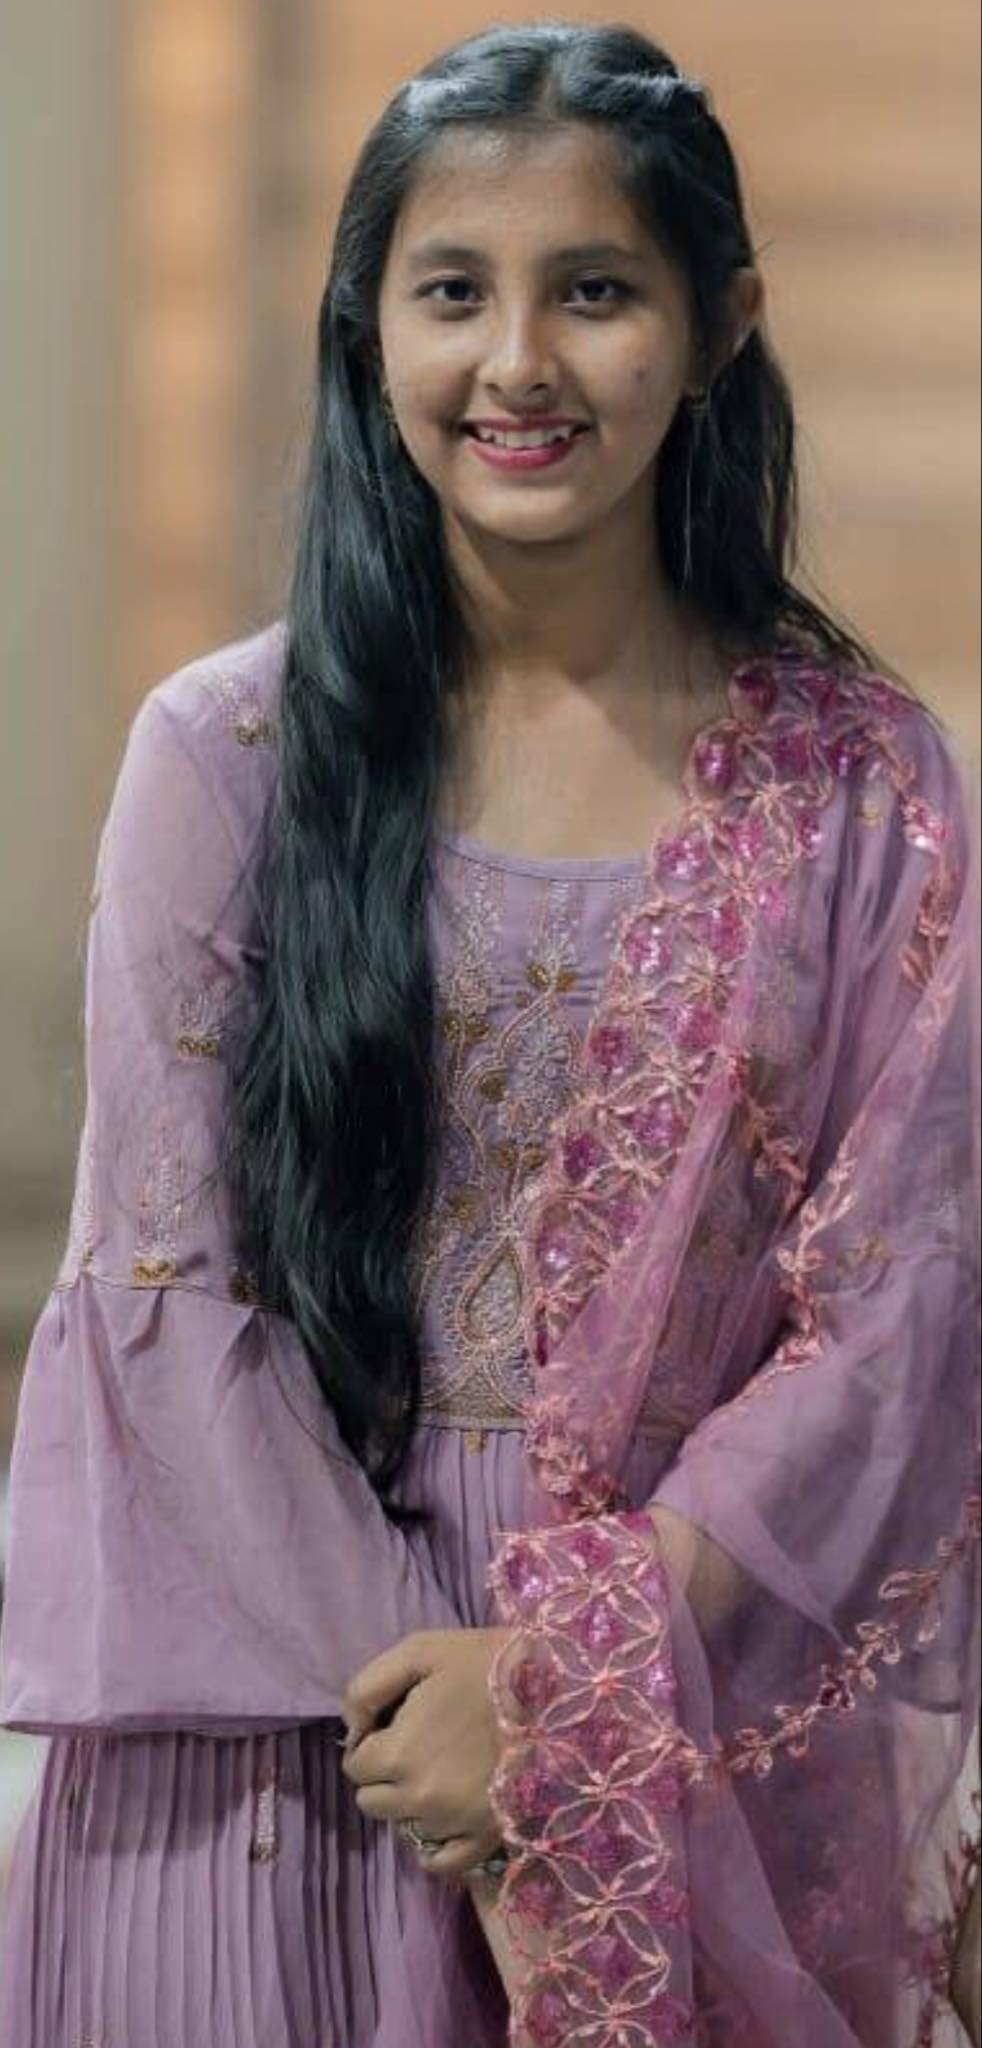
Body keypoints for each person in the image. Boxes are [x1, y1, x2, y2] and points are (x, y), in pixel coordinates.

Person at [0, 20, 978, 2047]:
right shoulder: (231, 757)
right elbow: (167, 1297)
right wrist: (445, 1726)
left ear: (719, 327)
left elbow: (896, 1312)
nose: (515, 363)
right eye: (451, 292)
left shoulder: (860, 788)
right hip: (275, 1735)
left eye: (593, 291)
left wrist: (555, 1694)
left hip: (682, 1700)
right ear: (367, 329)